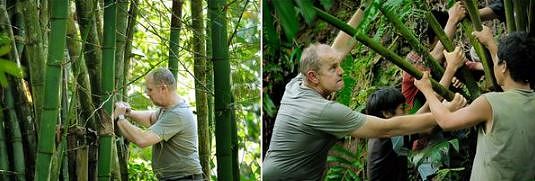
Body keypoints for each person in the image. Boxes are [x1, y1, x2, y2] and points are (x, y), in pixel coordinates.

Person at [261, 6, 468, 178]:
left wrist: (364, 7)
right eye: (333, 69)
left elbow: (338, 48)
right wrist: (444, 112)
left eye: (337, 65)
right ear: (313, 76)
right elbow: (387, 128)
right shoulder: (321, 111)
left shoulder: (297, 85)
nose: (341, 71)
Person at [414, 26, 535, 180]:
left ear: (504, 66)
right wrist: (491, 43)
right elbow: (510, 90)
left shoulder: (490, 103)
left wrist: (428, 91)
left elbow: (446, 120)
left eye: (499, 62)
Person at [113, 68, 204, 181]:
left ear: (163, 88)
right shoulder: (168, 109)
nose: (147, 93)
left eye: (150, 89)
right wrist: (128, 112)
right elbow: (150, 119)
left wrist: (120, 118)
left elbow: (142, 140)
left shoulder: (178, 114)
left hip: (184, 178)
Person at [365, 87, 409, 181]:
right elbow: (425, 124)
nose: (405, 113)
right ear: (387, 113)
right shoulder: (392, 134)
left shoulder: (377, 135)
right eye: (402, 108)